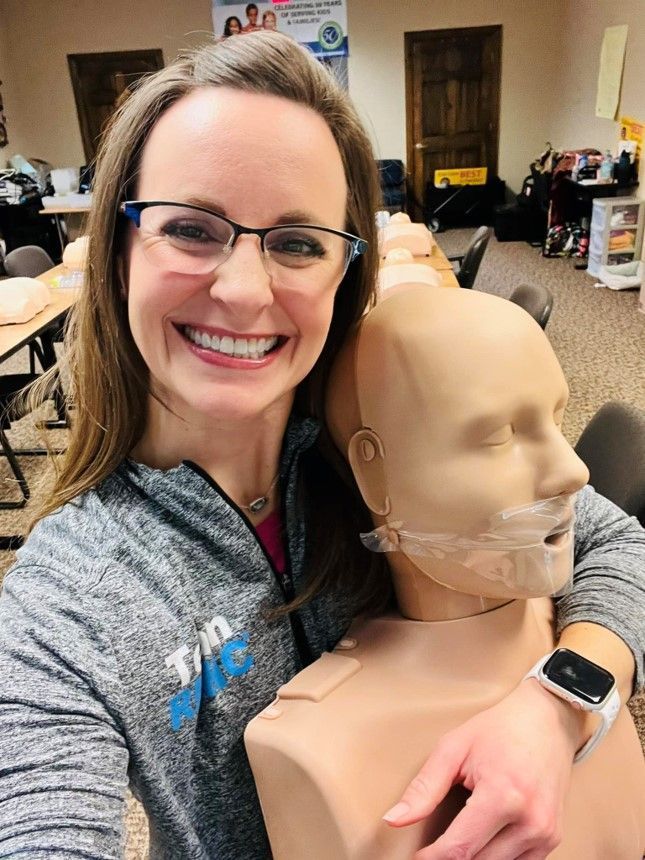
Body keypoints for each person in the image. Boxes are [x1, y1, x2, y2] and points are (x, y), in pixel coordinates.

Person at [0, 31, 642, 860]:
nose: (240, 288)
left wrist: (557, 706)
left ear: (345, 272)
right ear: (120, 252)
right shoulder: (67, 605)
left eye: (298, 243)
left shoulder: (383, 431)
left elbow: (612, 539)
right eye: (192, 228)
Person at [246, 286, 645, 858]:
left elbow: (624, 542)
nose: (574, 470)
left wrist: (561, 701)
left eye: (556, 419)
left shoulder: (589, 625)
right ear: (373, 476)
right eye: (498, 436)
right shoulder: (319, 747)